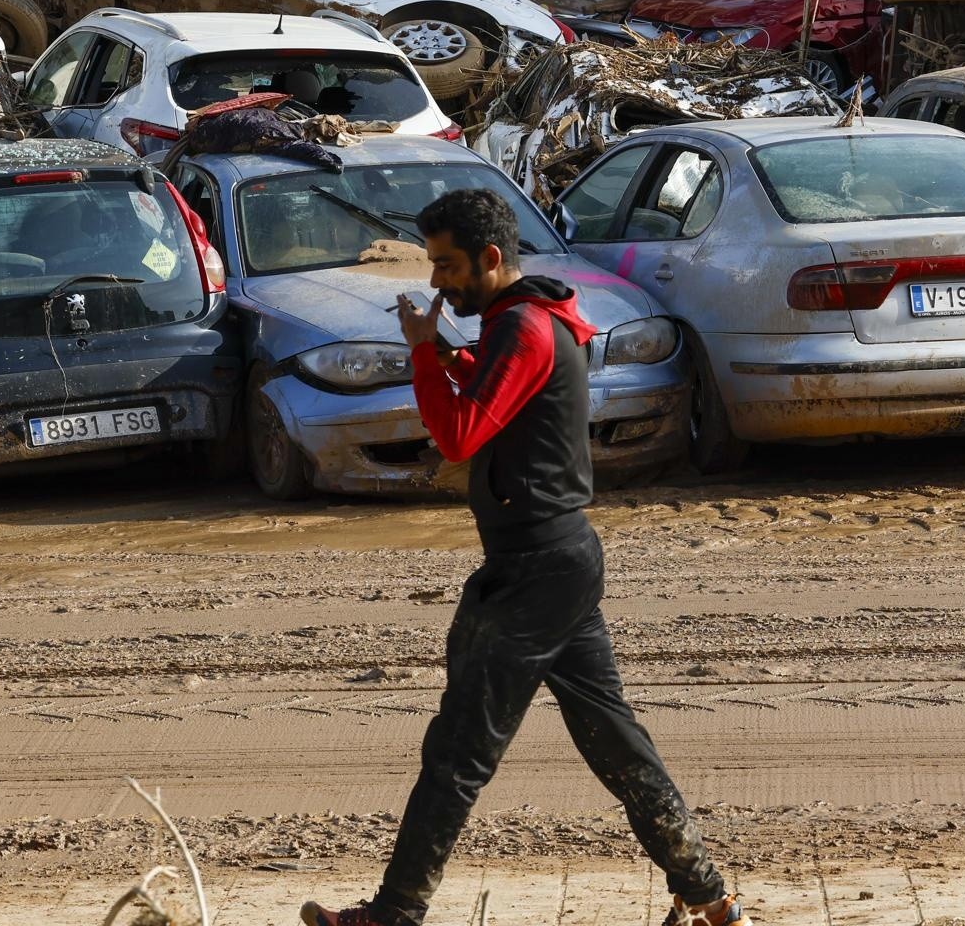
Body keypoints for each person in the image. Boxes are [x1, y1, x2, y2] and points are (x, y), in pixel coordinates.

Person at [299, 189, 749, 926]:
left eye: (447, 267)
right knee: (615, 743)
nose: (438, 283)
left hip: (539, 570)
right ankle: (708, 898)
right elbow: (488, 381)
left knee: (458, 754)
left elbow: (460, 435)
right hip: (551, 562)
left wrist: (422, 352)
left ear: (491, 259)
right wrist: (443, 350)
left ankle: (395, 913)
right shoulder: (521, 322)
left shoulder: (526, 328)